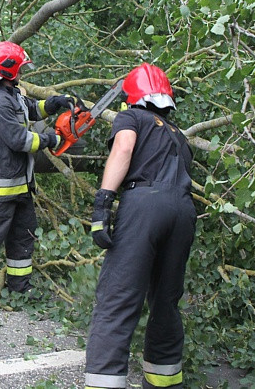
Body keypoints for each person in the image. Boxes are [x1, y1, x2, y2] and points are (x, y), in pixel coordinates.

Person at [84, 63, 196, 389]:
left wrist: (104, 201)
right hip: (183, 212)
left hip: (145, 205)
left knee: (117, 299)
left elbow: (123, 148)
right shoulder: (177, 135)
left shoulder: (132, 117)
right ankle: (164, 383)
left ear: (132, 95)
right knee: (165, 303)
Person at [0, 41, 73, 313]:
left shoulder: (12, 94)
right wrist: (50, 139)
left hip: (20, 183)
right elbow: (18, 140)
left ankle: (20, 288)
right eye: (20, 67)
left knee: (23, 235)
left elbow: (30, 109)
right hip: (2, 186)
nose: (22, 72)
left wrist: (53, 104)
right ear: (10, 70)